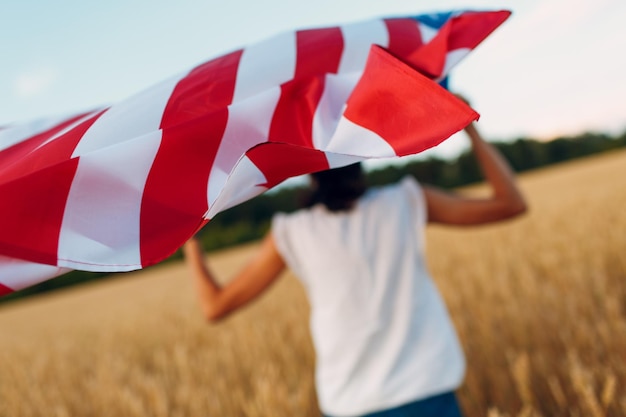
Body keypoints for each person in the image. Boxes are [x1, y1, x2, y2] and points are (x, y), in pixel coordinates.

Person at [183, 111, 527, 417]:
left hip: (351, 403)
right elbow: (510, 203)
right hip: (427, 389)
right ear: (360, 157)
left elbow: (215, 306)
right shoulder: (406, 201)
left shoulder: (293, 232)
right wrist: (469, 127)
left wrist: (191, 236)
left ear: (307, 171)